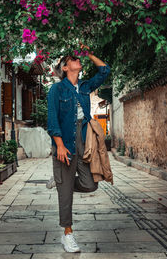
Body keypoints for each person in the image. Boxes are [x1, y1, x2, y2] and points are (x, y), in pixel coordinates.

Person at [47, 46, 110, 253]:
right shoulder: (56, 90)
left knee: (91, 184)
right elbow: (52, 119)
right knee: (66, 195)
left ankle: (61, 182)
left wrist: (89, 53)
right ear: (65, 67)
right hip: (64, 142)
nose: (77, 60)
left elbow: (105, 71)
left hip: (83, 141)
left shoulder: (84, 86)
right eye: (73, 59)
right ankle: (68, 234)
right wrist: (59, 146)